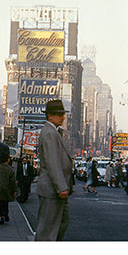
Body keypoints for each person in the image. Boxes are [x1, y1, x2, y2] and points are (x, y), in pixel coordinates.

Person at [35, 99, 73, 241]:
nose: (62, 117)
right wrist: (61, 187)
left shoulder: (54, 132)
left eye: (62, 114)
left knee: (62, 221)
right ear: (50, 116)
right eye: (59, 114)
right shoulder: (50, 133)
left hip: (55, 189)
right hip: (52, 189)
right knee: (47, 229)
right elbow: (53, 162)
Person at [0, 152, 17, 224]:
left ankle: (2, 216)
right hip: (7, 188)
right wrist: (14, 190)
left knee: (0, 203)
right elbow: (13, 181)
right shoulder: (10, 169)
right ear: (8, 160)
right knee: (6, 203)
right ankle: (6, 213)